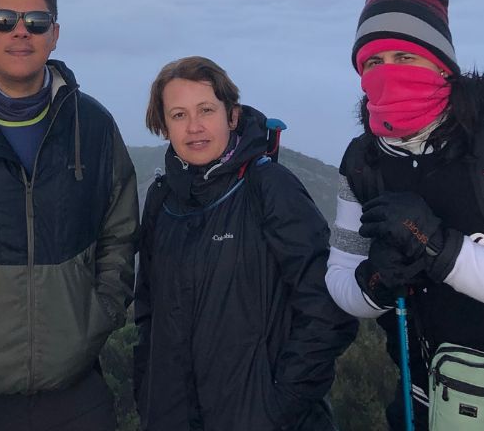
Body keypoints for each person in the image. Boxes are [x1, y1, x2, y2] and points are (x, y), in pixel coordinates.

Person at [326, 0, 484, 428]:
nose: (387, 70)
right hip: (422, 402)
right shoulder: (363, 162)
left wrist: (438, 249)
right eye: (372, 61)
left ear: (442, 65)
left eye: (405, 56)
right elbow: (341, 285)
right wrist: (376, 281)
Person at [0, 0, 138, 431]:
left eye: (36, 22)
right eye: (4, 20)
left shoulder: (91, 125)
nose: (20, 31)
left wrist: (98, 315)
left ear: (55, 34)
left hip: (75, 388)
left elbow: (119, 229)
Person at [134, 56, 355, 431]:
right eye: (178, 115)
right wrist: (149, 397)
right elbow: (148, 311)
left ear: (232, 115)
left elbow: (327, 309)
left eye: (206, 110)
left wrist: (279, 406)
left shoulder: (269, 188)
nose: (194, 127)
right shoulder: (162, 199)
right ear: (163, 126)